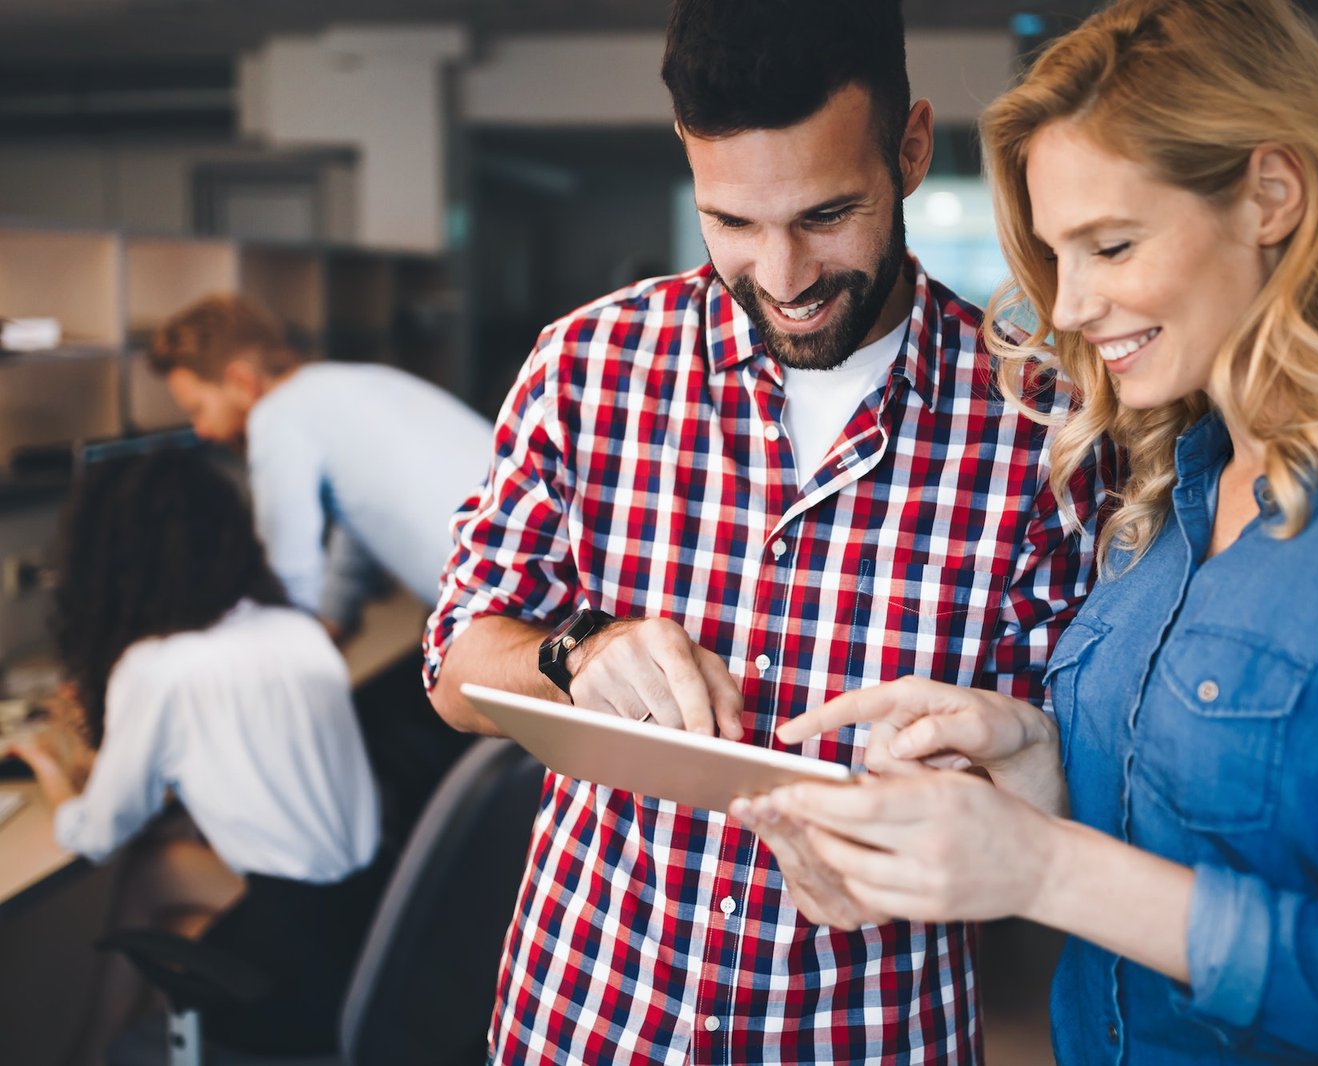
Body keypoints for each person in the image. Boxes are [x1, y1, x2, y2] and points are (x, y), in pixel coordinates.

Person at [744, 0, 1318, 1063]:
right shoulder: (1166, 498)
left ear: (1270, 197)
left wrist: (1047, 867)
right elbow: (1199, 813)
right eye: (1057, 256)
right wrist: (1033, 769)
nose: (1072, 305)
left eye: (1111, 245)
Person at [424, 0, 1115, 1060]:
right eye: (733, 224)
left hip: (864, 1029)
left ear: (913, 149)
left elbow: (1068, 769)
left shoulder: (1045, 425)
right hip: (585, 1014)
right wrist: (575, 653)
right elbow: (454, 661)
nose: (783, 279)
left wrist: (931, 832)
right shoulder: (587, 364)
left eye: (825, 215)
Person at [5, 447, 382, 1062]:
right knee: (154, 869)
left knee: (150, 902)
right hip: (364, 924)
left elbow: (94, 836)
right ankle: (97, 1050)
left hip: (303, 975)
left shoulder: (159, 666)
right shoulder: (293, 630)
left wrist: (50, 766)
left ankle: (99, 1050)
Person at [148, 293, 493, 641]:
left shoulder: (275, 417)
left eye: (198, 409)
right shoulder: (349, 381)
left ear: (240, 381)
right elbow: (361, 516)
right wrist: (333, 621)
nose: (199, 430)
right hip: (530, 587)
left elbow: (287, 582)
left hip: (500, 609)